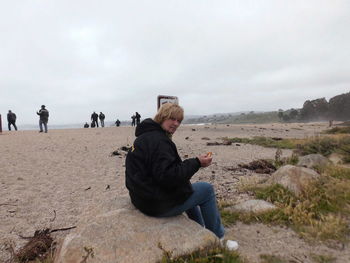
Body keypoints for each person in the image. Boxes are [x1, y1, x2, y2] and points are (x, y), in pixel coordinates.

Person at [125, 103, 238, 250]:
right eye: (172, 119)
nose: (176, 124)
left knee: (186, 187)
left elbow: (158, 173)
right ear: (162, 117)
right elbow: (168, 178)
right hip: (156, 205)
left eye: (179, 120)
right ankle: (219, 238)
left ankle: (199, 229)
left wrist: (189, 167)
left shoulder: (143, 138)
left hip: (141, 199)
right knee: (206, 190)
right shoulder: (160, 142)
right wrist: (197, 162)